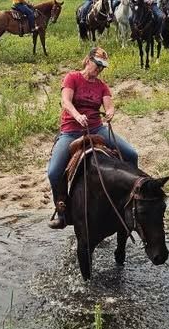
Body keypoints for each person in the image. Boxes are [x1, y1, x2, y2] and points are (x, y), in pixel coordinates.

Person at [47, 46, 139, 228]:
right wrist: (76, 115)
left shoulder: (102, 86)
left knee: (132, 154)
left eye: (102, 67)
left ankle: (133, 199)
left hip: (97, 129)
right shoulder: (72, 77)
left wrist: (110, 112)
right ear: (88, 61)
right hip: (71, 130)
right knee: (54, 172)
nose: (99, 69)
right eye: (97, 65)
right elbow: (66, 101)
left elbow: (109, 105)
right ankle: (62, 212)